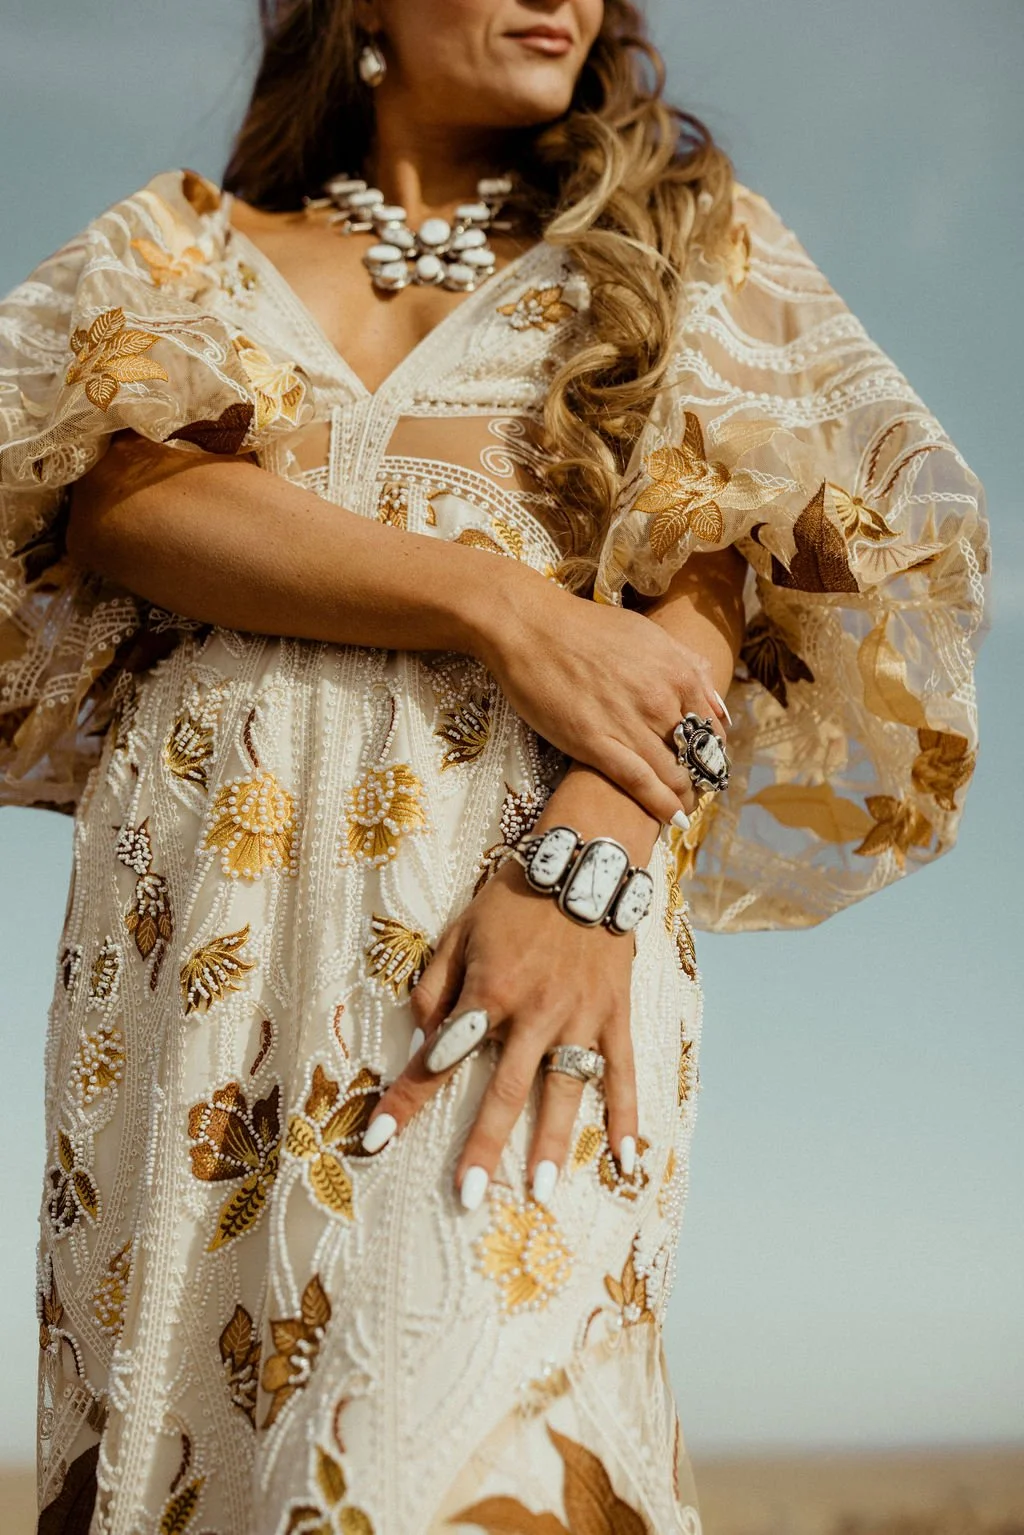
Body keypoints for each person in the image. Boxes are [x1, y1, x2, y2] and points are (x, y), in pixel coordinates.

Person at [0, 1, 989, 1531]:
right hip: (191, 945)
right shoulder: (182, 249)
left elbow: (726, 582)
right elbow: (115, 503)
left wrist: (589, 871)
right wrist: (504, 605)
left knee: (451, 1451)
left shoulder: (675, 246)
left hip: (515, 903)